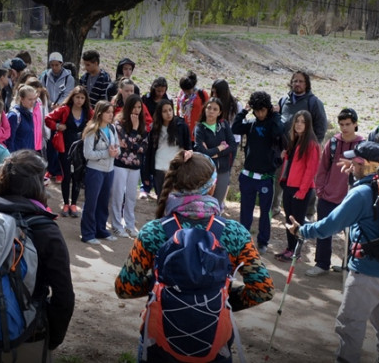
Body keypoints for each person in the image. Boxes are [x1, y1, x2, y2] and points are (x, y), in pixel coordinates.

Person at [115, 151, 274, 361]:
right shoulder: (235, 233)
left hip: (159, 345)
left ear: (174, 184)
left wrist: (160, 286)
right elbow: (263, 289)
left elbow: (125, 288)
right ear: (213, 187)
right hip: (214, 345)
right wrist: (221, 297)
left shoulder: (153, 232)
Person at [283, 141, 379, 363]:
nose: (350, 164)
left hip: (367, 272)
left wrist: (301, 230)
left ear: (364, 163)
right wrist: (354, 177)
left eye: (355, 161)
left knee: (350, 324)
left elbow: (330, 225)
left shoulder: (361, 194)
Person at [0, 150, 76, 362]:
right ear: (35, 185)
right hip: (28, 336)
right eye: (44, 180)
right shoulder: (45, 230)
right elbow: (64, 296)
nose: (47, 184)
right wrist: (51, 339)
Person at [308, 108, 364, 277]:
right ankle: (322, 263)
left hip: (352, 197)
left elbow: (367, 169)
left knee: (352, 234)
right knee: (324, 230)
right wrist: (320, 189)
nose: (344, 128)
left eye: (348, 124)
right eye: (341, 124)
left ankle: (348, 264)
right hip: (328, 195)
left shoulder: (363, 145)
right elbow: (323, 167)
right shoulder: (332, 143)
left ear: (355, 124)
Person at [232, 91, 284, 254]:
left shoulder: (273, 123)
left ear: (268, 108)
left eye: (263, 110)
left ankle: (263, 242)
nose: (260, 114)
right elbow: (235, 127)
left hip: (265, 178)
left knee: (265, 212)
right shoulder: (252, 123)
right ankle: (243, 239)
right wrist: (244, 111)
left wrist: (275, 114)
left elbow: (279, 132)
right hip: (248, 176)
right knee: (245, 210)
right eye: (257, 110)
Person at [274, 110, 320, 262]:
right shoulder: (295, 140)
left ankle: (296, 253)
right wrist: (285, 155)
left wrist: (302, 190)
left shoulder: (311, 144)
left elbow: (310, 170)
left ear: (308, 125)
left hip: (301, 189)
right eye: (297, 121)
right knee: (289, 220)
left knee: (296, 222)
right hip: (289, 185)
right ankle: (290, 249)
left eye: (303, 122)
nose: (299, 124)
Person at [46, 87, 90, 217]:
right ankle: (65, 203)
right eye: (77, 97)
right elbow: (48, 118)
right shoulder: (65, 109)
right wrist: (58, 126)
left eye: (82, 98)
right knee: (66, 176)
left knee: (77, 176)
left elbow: (95, 122)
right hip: (64, 148)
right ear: (72, 97)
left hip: (81, 149)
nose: (79, 100)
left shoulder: (87, 112)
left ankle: (74, 204)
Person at [80, 101, 119, 245]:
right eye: (108, 112)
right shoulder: (92, 130)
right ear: (100, 113)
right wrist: (106, 153)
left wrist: (115, 152)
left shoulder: (112, 128)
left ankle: (100, 229)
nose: (111, 115)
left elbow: (117, 147)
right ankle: (88, 233)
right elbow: (88, 154)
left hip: (109, 170)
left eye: (111, 112)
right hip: (95, 171)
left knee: (103, 202)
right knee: (91, 203)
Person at [109, 94, 147, 239]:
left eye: (139, 107)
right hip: (120, 164)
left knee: (131, 196)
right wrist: (134, 131)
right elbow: (126, 144)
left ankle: (130, 225)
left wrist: (132, 142)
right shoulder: (119, 124)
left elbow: (143, 147)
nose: (137, 110)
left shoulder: (144, 125)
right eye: (134, 107)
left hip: (135, 166)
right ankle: (117, 225)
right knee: (118, 195)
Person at [193, 98, 236, 209]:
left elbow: (232, 146)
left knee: (217, 205)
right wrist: (219, 148)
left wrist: (217, 154)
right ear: (205, 109)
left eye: (215, 109)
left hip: (222, 171)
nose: (211, 111)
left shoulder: (224, 125)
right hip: (205, 171)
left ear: (219, 112)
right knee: (203, 204)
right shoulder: (199, 128)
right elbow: (202, 152)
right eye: (209, 108)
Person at [146, 99, 192, 198]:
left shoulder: (181, 125)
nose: (168, 113)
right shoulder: (155, 128)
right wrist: (146, 173)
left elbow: (188, 146)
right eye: (165, 111)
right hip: (159, 167)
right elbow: (149, 151)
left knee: (176, 199)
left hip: (176, 168)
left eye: (170, 110)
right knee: (161, 198)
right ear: (159, 113)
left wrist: (188, 154)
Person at [277, 71, 328, 143]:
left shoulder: (314, 102)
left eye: (301, 81)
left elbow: (321, 127)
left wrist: (314, 145)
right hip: (284, 148)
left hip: (304, 148)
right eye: (295, 81)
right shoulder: (283, 100)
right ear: (291, 83)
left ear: (306, 84)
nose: (297, 84)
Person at [175, 71, 208, 142]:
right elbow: (178, 111)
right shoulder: (181, 95)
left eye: (188, 90)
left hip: (197, 133)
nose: (186, 92)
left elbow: (208, 111)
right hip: (182, 131)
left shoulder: (202, 95)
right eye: (184, 90)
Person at [6, 85, 38, 152]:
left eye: (34, 99)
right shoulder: (14, 116)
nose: (33, 102)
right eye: (30, 99)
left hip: (28, 156)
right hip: (18, 158)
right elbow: (9, 141)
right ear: (21, 99)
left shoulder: (30, 114)